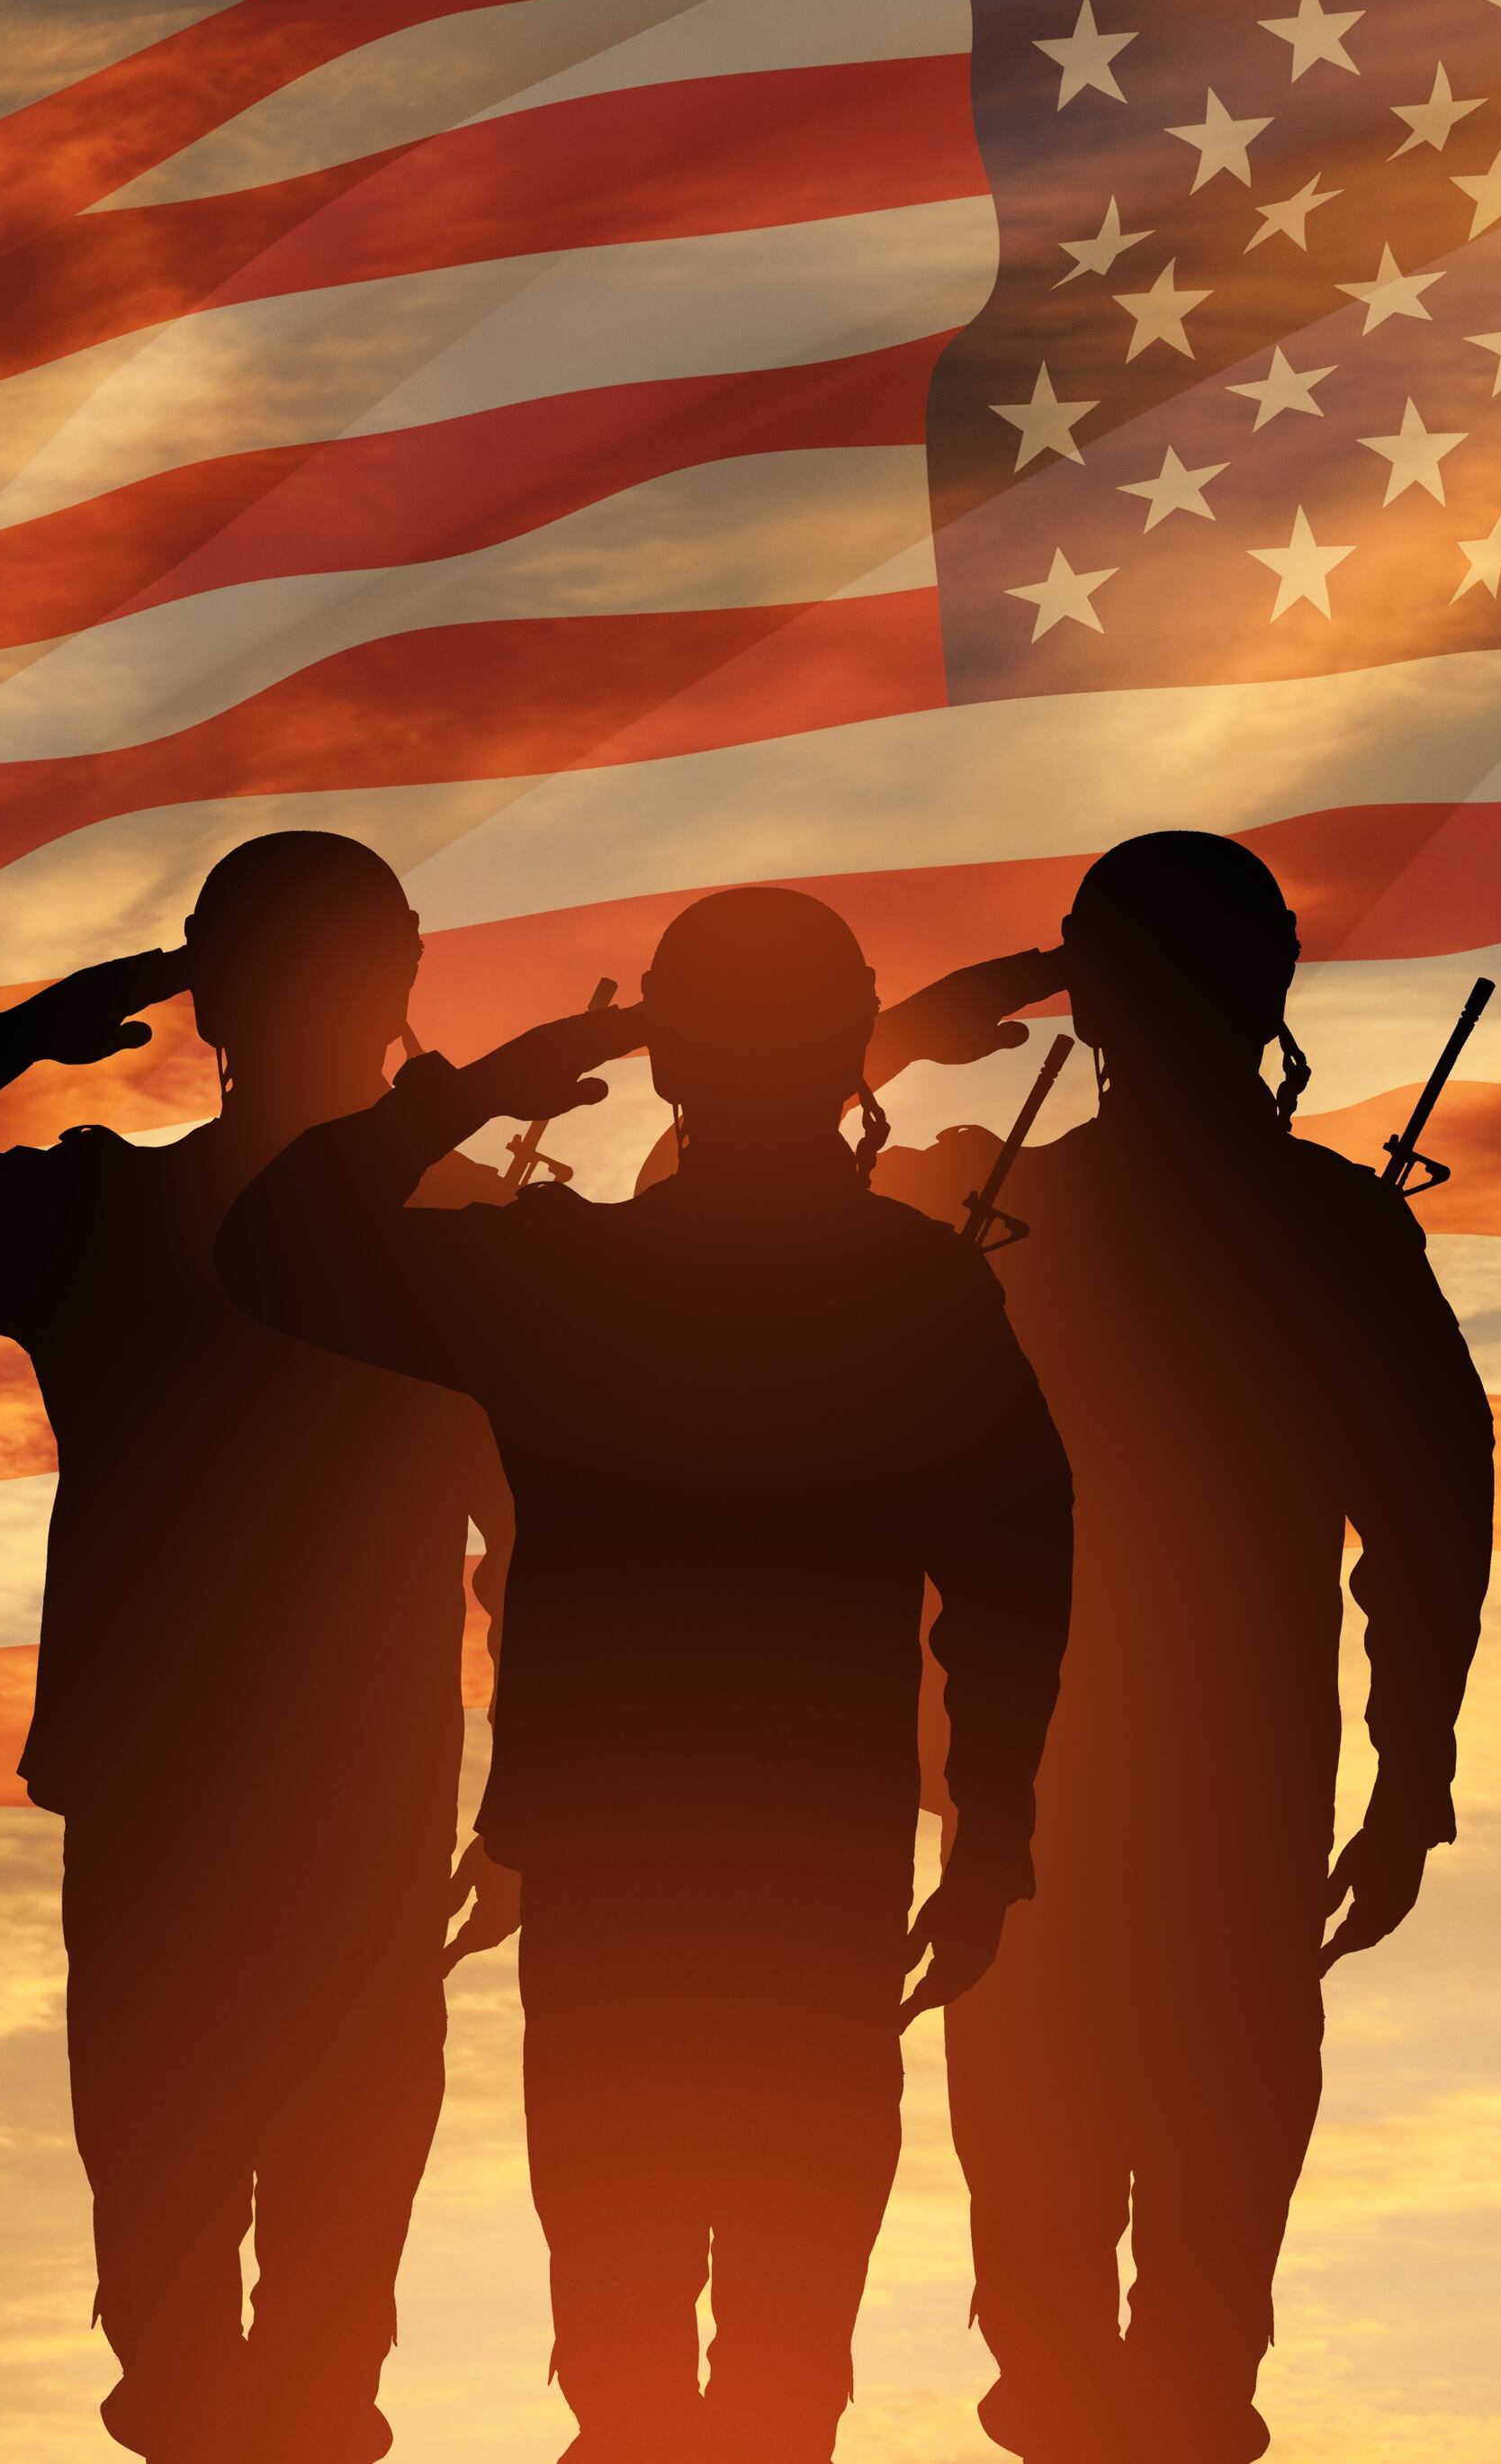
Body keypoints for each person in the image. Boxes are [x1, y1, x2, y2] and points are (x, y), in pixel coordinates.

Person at [217, 886, 1074, 2464]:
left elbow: (277, 1247)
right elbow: (1018, 1572)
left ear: (669, 1058)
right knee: (781, 2336)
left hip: (621, 1860)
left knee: (629, 2330)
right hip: (806, 1859)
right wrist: (996, 1827)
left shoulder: (566, 1281)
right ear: (844, 1050)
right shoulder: (913, 1290)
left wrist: (490, 1081)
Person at [0, 832, 564, 2464]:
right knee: (283, 2273)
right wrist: (535, 1785)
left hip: (215, 1790)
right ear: (401, 975)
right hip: (324, 1790)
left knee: (200, 2260)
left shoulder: (116, 1218)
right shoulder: (461, 1226)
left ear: (206, 995)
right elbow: (536, 1537)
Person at [912, 835, 1496, 2464]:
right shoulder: (1320, 1233)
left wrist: (902, 1037)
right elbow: (1434, 1528)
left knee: (1077, 2284)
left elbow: (1432, 1524)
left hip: (1052, 1799)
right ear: (1270, 985)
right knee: (1179, 2302)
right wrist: (1409, 1776)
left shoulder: (995, 1222)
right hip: (1170, 1804)